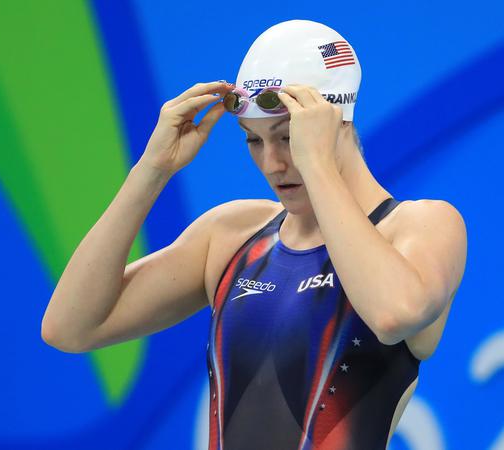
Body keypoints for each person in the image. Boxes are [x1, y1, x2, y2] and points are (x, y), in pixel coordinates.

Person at [41, 19, 467, 450]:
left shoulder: (420, 225)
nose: (273, 163)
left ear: (334, 121)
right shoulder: (233, 235)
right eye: (253, 141)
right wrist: (151, 171)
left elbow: (394, 314)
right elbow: (70, 327)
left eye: (287, 138)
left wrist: (317, 165)